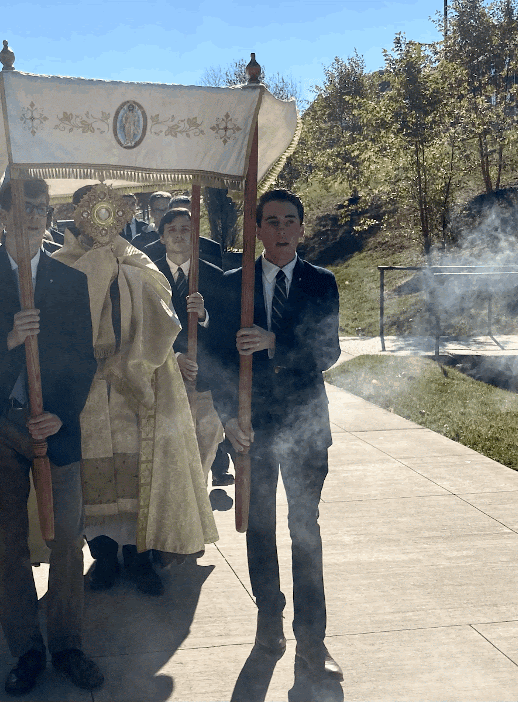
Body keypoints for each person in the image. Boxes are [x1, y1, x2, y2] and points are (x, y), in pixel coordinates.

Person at [0, 177, 103, 696]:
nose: (31, 216)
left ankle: (68, 645)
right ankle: (27, 650)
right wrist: (9, 339)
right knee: (10, 545)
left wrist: (59, 414)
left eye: (40, 208)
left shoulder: (68, 280)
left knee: (67, 541)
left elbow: (83, 360)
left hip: (53, 426)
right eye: (21, 207)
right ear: (3, 215)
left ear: (48, 218)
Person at [54, 184, 218, 598]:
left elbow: (161, 310)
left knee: (138, 476)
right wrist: (96, 272)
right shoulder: (61, 264)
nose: (99, 223)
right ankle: (104, 558)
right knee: (93, 478)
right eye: (90, 212)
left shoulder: (137, 260)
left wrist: (121, 278)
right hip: (86, 387)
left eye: (106, 212)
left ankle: (140, 558)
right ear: (78, 216)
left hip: (136, 383)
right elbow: (56, 324)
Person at [210, 189, 343, 682]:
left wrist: (274, 343)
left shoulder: (321, 282)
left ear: (302, 229)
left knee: (305, 529)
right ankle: (269, 620)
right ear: (258, 230)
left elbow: (327, 350)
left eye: (290, 221)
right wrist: (228, 418)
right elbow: (216, 361)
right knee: (259, 526)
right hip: (253, 427)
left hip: (306, 426)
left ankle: (313, 640)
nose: (282, 229)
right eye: (272, 221)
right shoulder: (233, 285)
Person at [150, 207, 225, 484]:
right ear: (161, 237)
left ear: (195, 236)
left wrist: (204, 316)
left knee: (204, 448)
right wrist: (175, 356)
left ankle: (200, 507)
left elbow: (227, 330)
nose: (179, 235)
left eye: (185, 229)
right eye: (172, 230)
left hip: (205, 383)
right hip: (165, 381)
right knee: (171, 458)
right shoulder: (148, 275)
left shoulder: (214, 275)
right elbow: (143, 327)